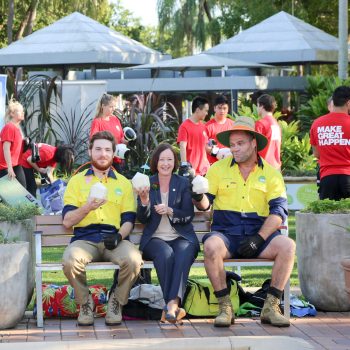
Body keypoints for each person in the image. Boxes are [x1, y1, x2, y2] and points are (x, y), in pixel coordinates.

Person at [193, 116, 295, 328]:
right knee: (211, 246)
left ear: (253, 143)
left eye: (240, 144)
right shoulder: (217, 169)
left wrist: (259, 238)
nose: (235, 149)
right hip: (227, 234)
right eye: (231, 145)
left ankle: (271, 307)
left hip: (259, 234)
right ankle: (225, 307)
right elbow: (205, 205)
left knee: (288, 246)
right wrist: (197, 196)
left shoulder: (271, 174)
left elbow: (279, 213)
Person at [62, 131, 143, 326]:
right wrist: (88, 207)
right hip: (85, 238)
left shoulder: (124, 183)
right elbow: (67, 221)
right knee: (69, 261)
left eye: (107, 150)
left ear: (114, 152)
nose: (103, 154)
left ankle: (117, 301)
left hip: (114, 238)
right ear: (90, 151)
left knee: (133, 260)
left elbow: (129, 219)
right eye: (98, 149)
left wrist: (119, 236)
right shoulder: (77, 181)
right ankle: (85, 303)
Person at [135, 143, 199, 324]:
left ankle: (171, 305)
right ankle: (172, 305)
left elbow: (188, 214)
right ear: (156, 162)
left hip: (181, 236)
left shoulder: (183, 183)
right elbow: (143, 219)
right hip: (154, 239)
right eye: (162, 159)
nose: (165, 163)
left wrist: (171, 210)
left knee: (183, 252)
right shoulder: (147, 182)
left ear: (175, 162)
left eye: (169, 159)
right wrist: (144, 201)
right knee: (165, 254)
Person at [310, 86, 350, 200]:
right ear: (348, 103)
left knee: (328, 216)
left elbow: (316, 154)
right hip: (348, 175)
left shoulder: (317, 123)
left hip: (327, 178)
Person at [90, 93, 127, 172]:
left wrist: (126, 141)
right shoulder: (97, 122)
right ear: (103, 106)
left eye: (114, 106)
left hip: (118, 160)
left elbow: (121, 138)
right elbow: (93, 141)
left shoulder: (115, 119)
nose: (113, 109)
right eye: (111, 106)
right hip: (105, 160)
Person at [177, 96, 210, 176]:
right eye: (206, 110)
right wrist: (184, 166)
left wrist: (219, 152)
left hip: (205, 171)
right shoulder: (184, 126)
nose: (207, 113)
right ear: (198, 110)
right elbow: (182, 146)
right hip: (191, 171)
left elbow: (205, 148)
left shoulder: (203, 127)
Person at [0, 99, 26, 187]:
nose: (23, 113)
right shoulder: (9, 127)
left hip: (16, 164)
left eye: (23, 111)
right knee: (10, 196)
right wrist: (9, 168)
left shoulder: (17, 129)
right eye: (19, 111)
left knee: (23, 191)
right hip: (5, 166)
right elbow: (6, 148)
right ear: (12, 113)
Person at [205, 95, 235, 165]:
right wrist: (216, 152)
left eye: (224, 108)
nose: (222, 111)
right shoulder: (207, 126)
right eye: (219, 108)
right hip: (212, 165)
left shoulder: (233, 125)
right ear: (215, 108)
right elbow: (203, 146)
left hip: (229, 164)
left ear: (228, 109)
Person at [255, 94, 282, 170]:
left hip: (263, 165)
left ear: (262, 106)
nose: (257, 108)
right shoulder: (276, 124)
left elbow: (255, 146)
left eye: (257, 105)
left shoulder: (260, 123)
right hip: (276, 166)